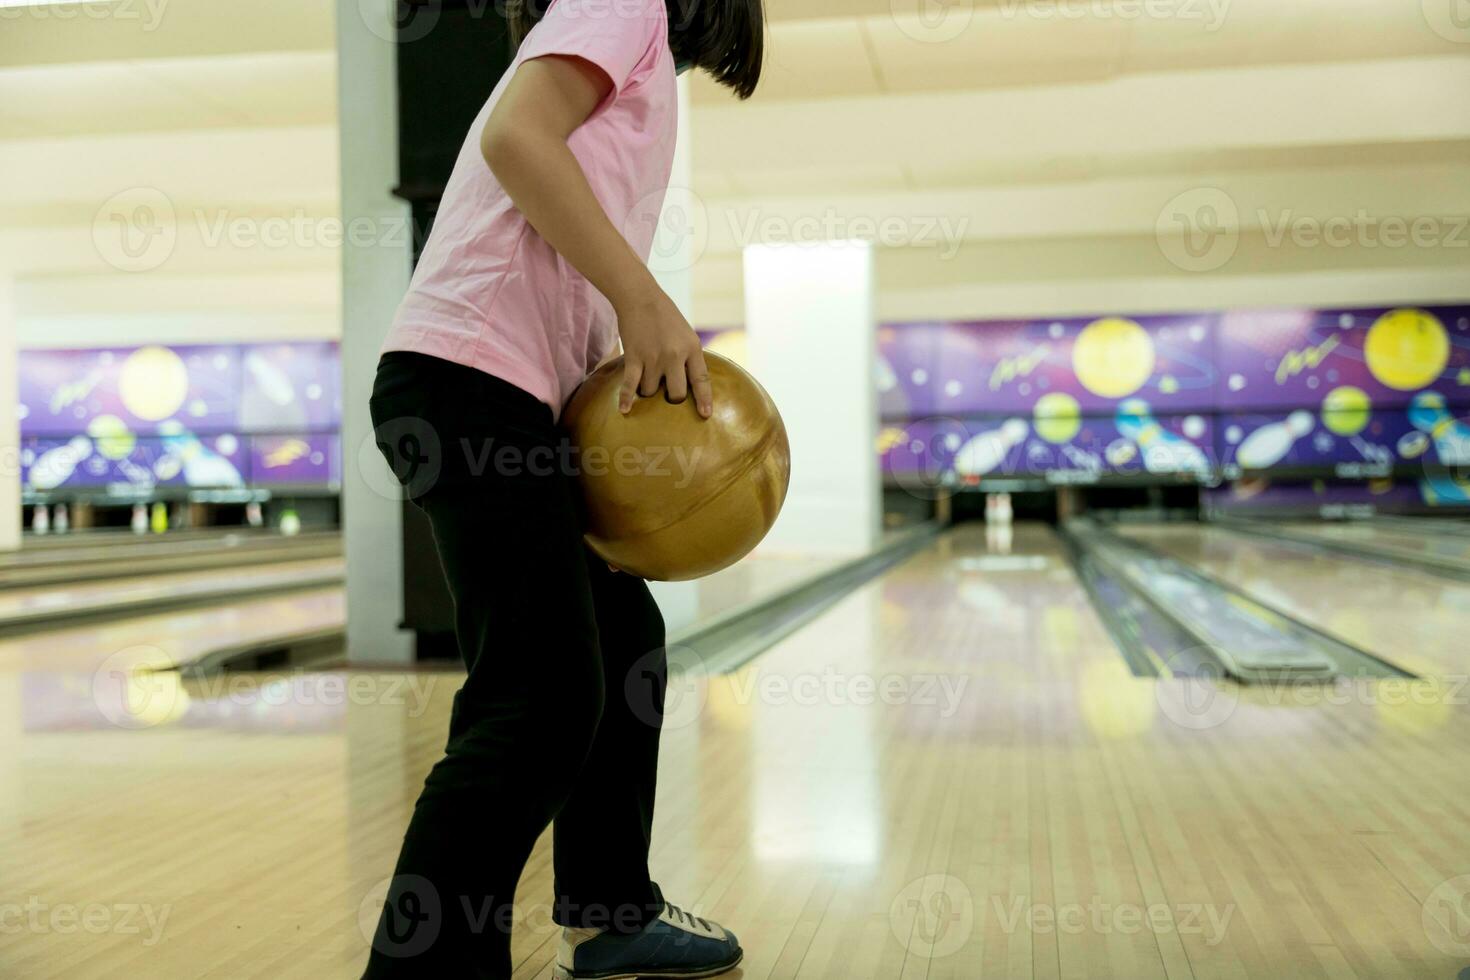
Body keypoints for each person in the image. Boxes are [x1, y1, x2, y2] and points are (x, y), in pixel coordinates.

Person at [363, 0, 763, 976]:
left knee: (624, 642)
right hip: (469, 384)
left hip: (521, 400)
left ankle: (611, 906)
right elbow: (516, 138)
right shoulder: (625, 0)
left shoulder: (642, 52)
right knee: (539, 700)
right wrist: (645, 298)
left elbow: (556, 258)